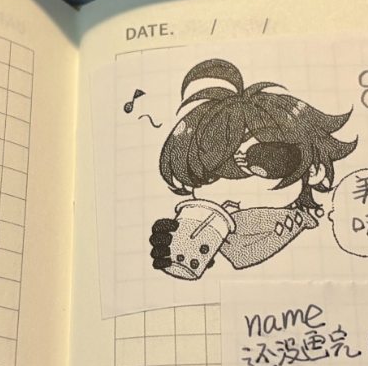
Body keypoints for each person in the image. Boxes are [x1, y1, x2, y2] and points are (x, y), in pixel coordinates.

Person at [149, 57, 356, 278]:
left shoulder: (292, 225)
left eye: (260, 161)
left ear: (313, 170)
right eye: (212, 173)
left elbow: (245, 253)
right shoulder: (217, 222)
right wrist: (180, 240)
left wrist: (221, 240)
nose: (231, 187)